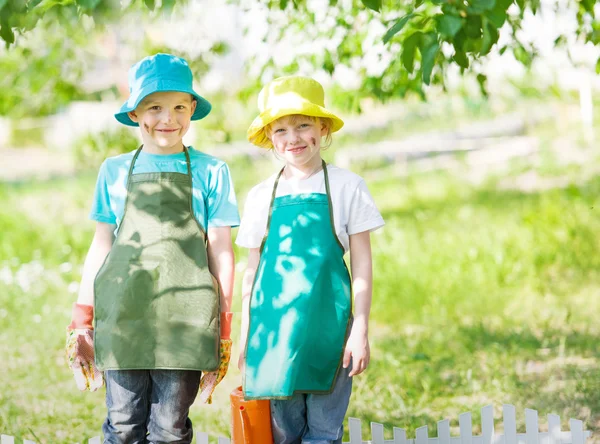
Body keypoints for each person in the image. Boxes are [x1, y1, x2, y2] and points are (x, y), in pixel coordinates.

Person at [65, 53, 240, 443]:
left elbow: (222, 252)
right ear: (134, 113)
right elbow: (101, 246)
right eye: (154, 107)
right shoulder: (113, 170)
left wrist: (224, 324)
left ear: (193, 109)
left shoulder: (212, 171)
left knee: (170, 429)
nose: (168, 118)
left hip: (188, 319)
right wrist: (82, 317)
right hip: (124, 315)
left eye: (179, 106)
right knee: (124, 425)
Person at [236, 75, 385, 443]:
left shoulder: (348, 186)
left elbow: (362, 266)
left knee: (323, 432)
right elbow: (252, 272)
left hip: (329, 332)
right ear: (270, 137)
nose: (293, 138)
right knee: (282, 434)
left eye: (303, 125)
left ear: (322, 128)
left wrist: (360, 329)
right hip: (275, 335)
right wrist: (245, 338)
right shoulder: (259, 197)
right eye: (281, 129)